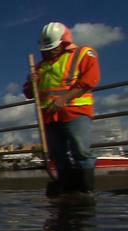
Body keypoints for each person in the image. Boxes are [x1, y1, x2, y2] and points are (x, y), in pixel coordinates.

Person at [23, 22, 100, 197]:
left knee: (80, 150)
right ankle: (68, 188)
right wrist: (31, 81)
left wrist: (63, 99)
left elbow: (90, 80)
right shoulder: (40, 67)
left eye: (52, 48)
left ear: (64, 42)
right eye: (45, 49)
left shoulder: (83, 54)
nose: (48, 52)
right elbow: (29, 93)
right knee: (57, 153)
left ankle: (86, 189)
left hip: (75, 111)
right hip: (49, 117)